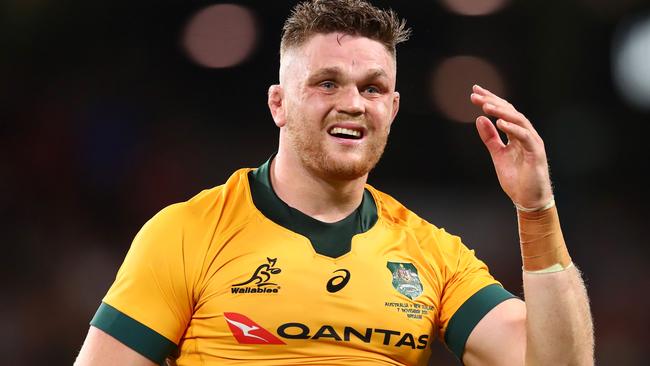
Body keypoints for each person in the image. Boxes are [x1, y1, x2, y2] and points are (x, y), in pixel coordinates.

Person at [75, 0, 594, 365]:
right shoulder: (186, 233)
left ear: (391, 109)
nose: (352, 103)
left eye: (372, 88)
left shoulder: (433, 255)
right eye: (327, 83)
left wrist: (536, 209)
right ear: (279, 103)